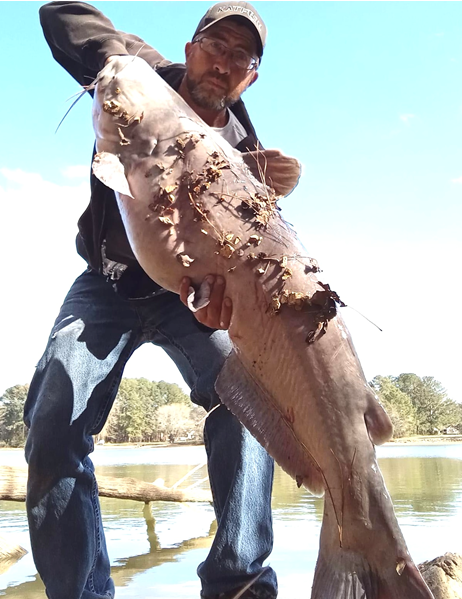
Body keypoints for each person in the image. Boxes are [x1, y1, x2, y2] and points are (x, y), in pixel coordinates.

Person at [25, 2, 299, 598]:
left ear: (251, 75)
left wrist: (223, 293)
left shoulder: (246, 152)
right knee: (52, 420)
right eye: (216, 45)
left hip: (190, 297)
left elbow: (248, 257)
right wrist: (118, 58)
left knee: (248, 400)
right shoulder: (141, 80)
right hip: (108, 282)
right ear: (191, 45)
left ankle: (239, 581)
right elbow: (58, 14)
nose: (223, 63)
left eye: (240, 57)